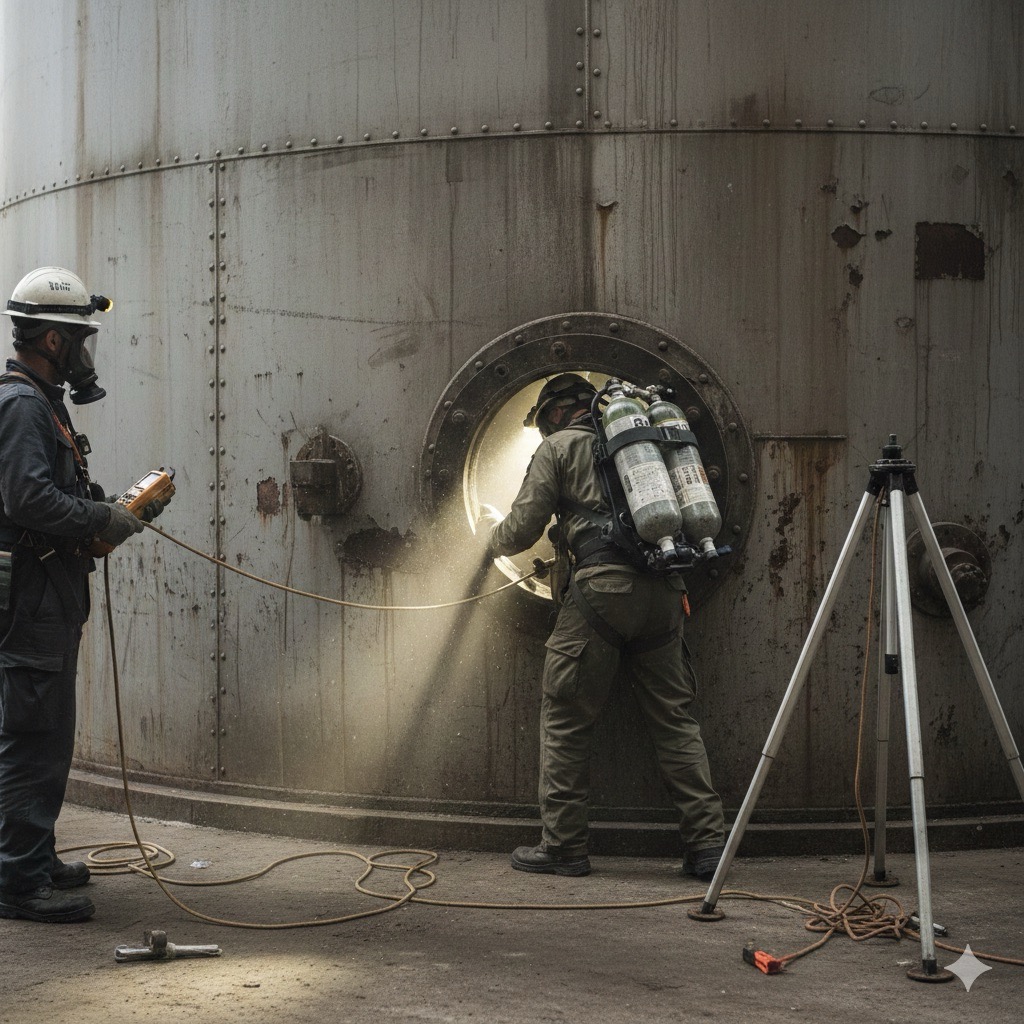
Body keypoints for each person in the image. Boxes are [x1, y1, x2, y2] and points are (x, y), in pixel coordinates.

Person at [487, 373, 725, 880]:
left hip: (601, 596)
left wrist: (491, 538)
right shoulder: (647, 445)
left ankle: (565, 848)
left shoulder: (560, 448)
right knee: (676, 722)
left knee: (566, 722)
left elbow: (521, 529)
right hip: (665, 591)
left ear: (553, 414)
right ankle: (707, 847)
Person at [0, 267, 158, 923]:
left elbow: (49, 490)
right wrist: (98, 520)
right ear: (55, 342)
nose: (86, 353)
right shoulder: (23, 405)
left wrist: (98, 506)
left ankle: (32, 856)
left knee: (49, 732)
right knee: (33, 737)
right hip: (33, 597)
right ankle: (16, 880)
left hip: (50, 592)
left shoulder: (41, 401)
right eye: (80, 339)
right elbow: (27, 499)